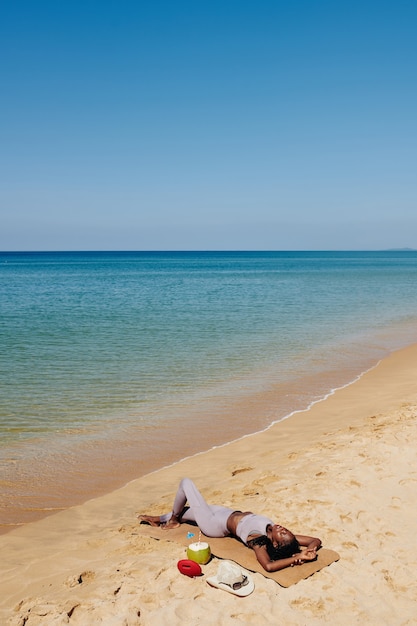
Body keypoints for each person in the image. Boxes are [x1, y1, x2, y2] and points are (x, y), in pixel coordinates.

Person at [138, 477, 321, 572]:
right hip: (224, 512)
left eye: (282, 533)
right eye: (286, 530)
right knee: (186, 508)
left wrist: (298, 559)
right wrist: (308, 551)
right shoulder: (284, 538)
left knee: (186, 484)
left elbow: (269, 566)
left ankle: (173, 521)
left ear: (274, 543)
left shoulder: (259, 540)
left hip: (214, 524)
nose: (282, 528)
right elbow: (315, 540)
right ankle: (162, 518)